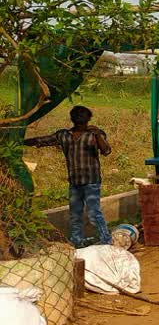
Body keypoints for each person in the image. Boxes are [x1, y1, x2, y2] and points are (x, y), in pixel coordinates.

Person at [24, 105, 112, 248]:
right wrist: (19, 141)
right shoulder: (63, 135)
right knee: (75, 214)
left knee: (93, 213)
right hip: (75, 182)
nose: (80, 118)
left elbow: (106, 151)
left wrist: (97, 135)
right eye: (78, 115)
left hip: (91, 181)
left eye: (82, 115)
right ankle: (77, 242)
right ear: (73, 118)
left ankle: (106, 241)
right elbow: (40, 140)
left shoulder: (95, 134)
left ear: (88, 118)